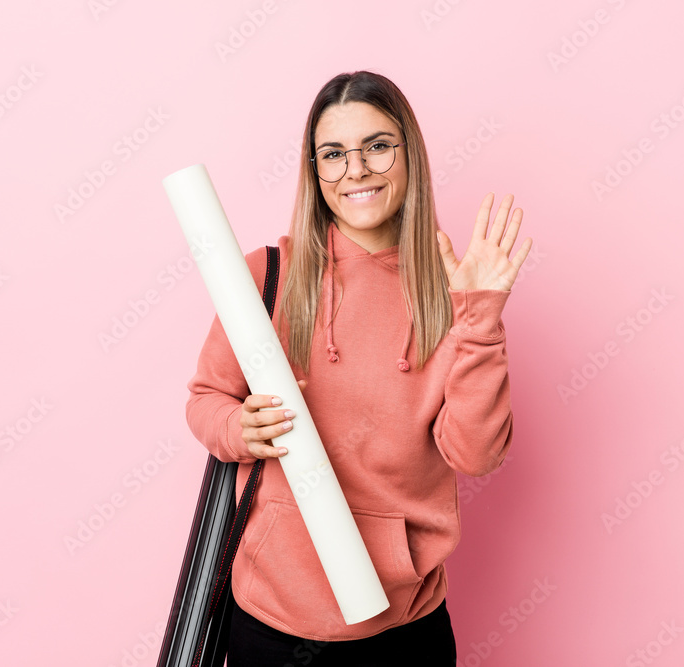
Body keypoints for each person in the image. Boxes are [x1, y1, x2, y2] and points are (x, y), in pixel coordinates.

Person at [185, 70, 532, 666]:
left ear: (409, 153)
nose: (357, 170)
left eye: (377, 146)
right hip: (272, 622)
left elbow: (476, 455)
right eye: (334, 154)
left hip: (404, 629)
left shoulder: (451, 288)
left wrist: (479, 319)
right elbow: (206, 399)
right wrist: (238, 428)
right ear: (315, 170)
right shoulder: (266, 276)